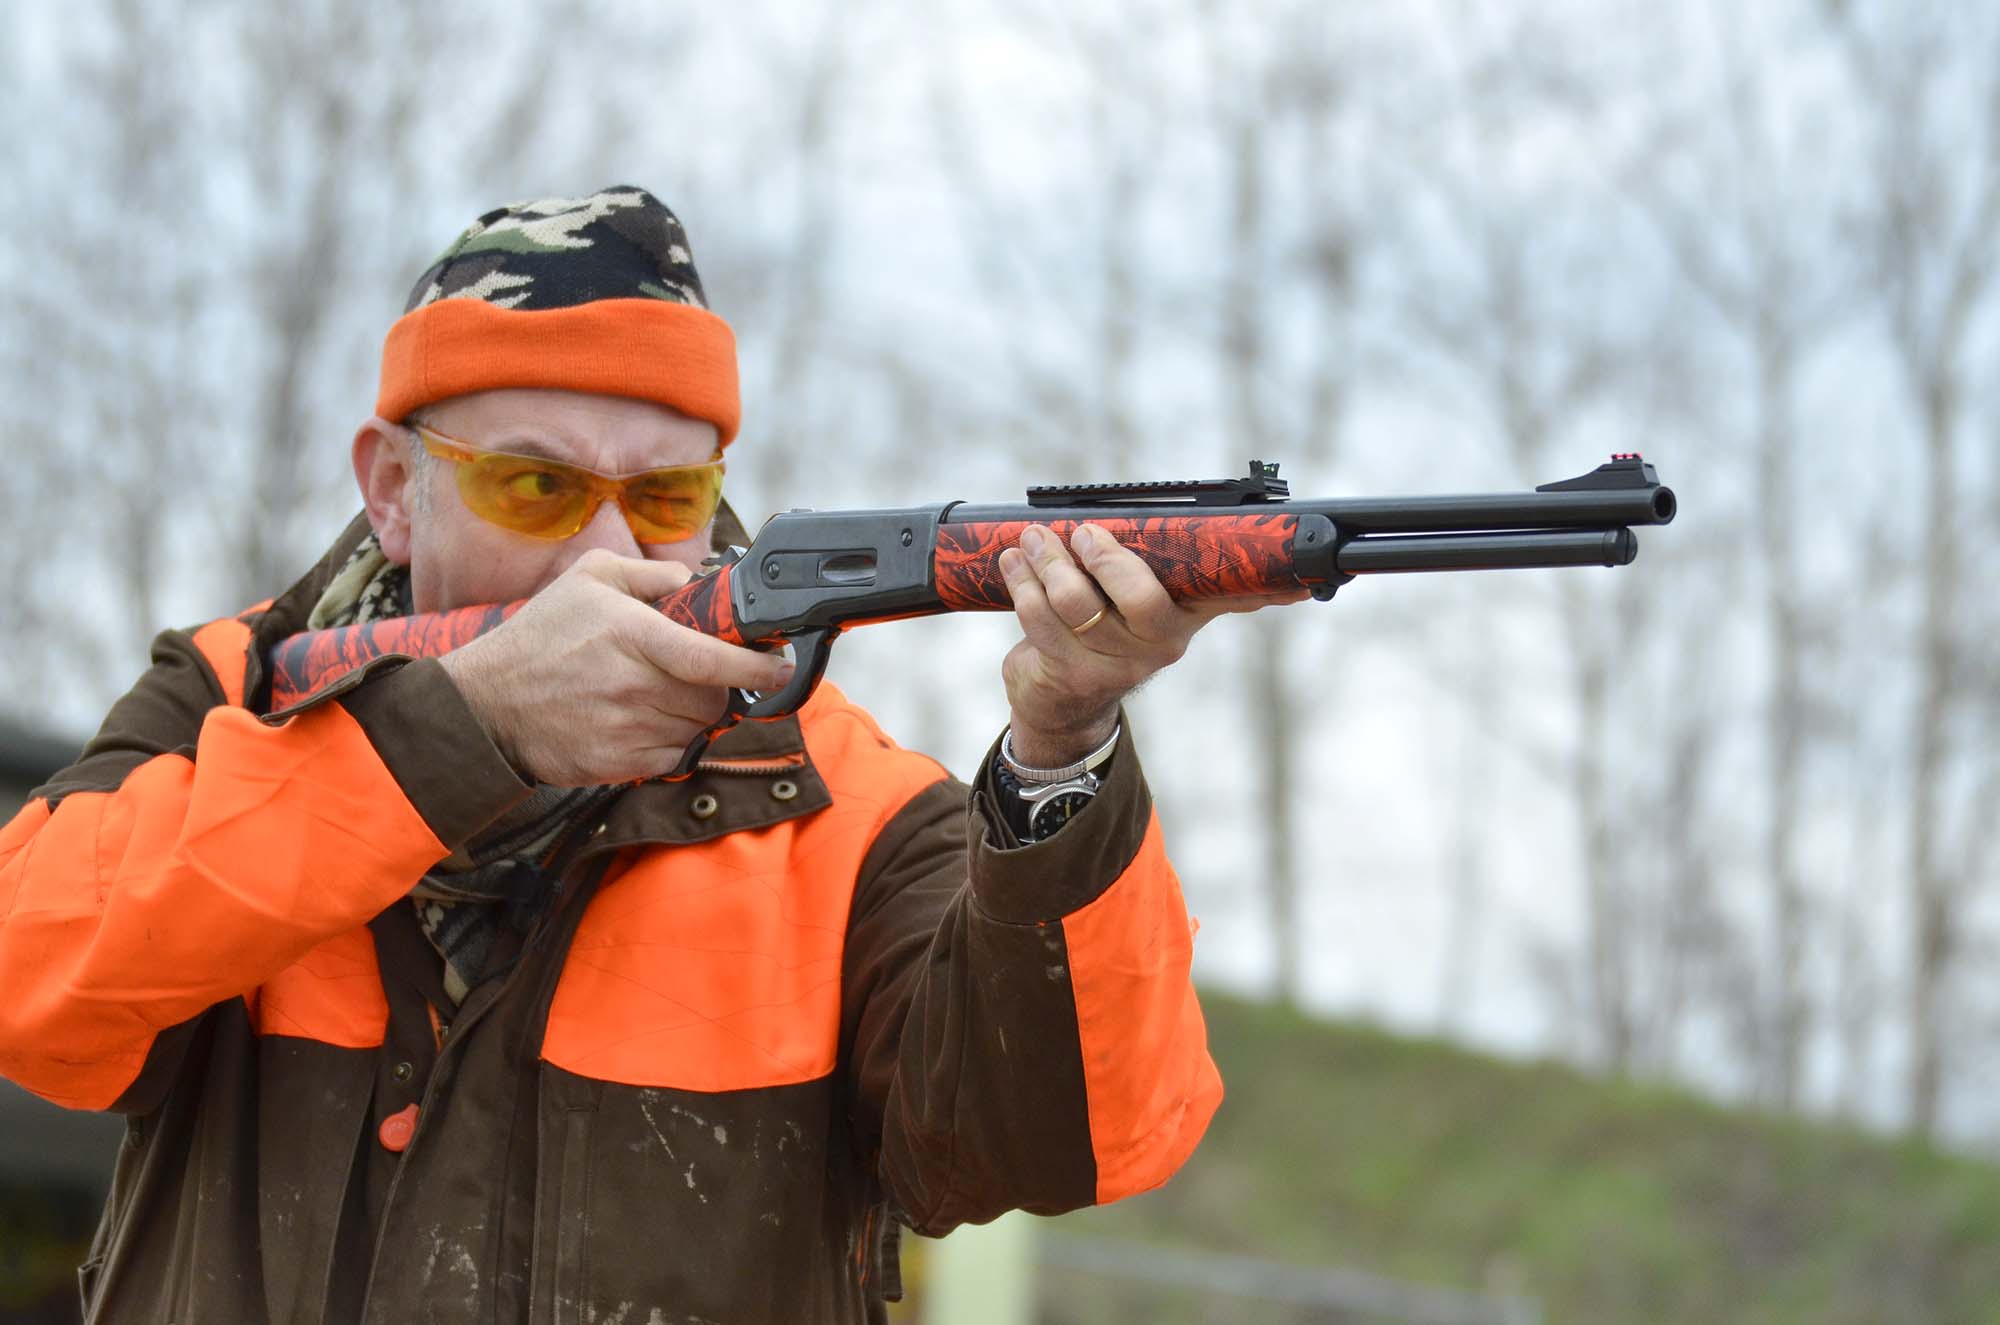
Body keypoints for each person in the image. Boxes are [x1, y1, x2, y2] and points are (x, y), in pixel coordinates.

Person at [0, 187, 1287, 1323]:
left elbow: (1070, 1140)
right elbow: (27, 975)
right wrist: (466, 733)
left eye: (665, 497)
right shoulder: (233, 693)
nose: (604, 553)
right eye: (533, 486)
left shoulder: (853, 808)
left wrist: (1063, 744)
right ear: (393, 487)